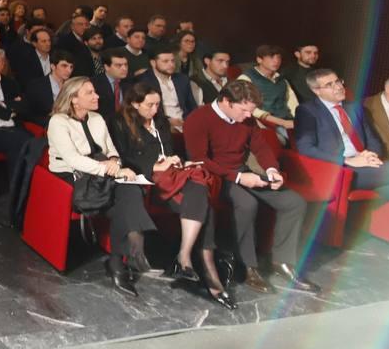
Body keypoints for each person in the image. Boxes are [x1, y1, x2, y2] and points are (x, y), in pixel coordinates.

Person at [296, 69, 389, 281]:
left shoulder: (355, 108)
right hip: (340, 171)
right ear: (316, 90)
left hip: (366, 168)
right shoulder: (307, 111)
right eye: (330, 84)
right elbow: (305, 148)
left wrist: (369, 155)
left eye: (338, 81)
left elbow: (375, 142)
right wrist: (347, 160)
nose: (338, 87)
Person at [182, 79, 316, 294]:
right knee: (247, 204)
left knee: (294, 202)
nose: (248, 116)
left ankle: (282, 262)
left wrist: (272, 170)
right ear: (226, 101)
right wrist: (238, 178)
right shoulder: (198, 118)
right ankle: (247, 267)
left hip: (241, 172)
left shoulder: (246, 118)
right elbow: (199, 160)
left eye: (251, 111)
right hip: (214, 177)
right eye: (244, 110)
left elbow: (260, 147)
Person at [113, 85, 234, 310]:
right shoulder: (120, 123)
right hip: (148, 182)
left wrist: (174, 160)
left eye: (158, 104)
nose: (155, 109)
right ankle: (204, 271)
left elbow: (168, 149)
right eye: (149, 105)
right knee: (202, 197)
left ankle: (185, 256)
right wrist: (156, 165)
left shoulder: (160, 122)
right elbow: (125, 157)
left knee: (199, 189)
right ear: (134, 104)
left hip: (172, 178)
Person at [46, 78, 155, 298]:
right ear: (74, 99)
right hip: (74, 176)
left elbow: (110, 149)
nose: (97, 96)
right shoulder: (58, 122)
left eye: (95, 91)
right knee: (125, 199)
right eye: (89, 93)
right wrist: (110, 169)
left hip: (102, 173)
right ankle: (131, 248)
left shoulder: (96, 118)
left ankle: (119, 260)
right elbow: (73, 159)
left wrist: (114, 162)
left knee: (130, 190)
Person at [243, 45, 297, 145]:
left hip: (288, 119)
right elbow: (247, 108)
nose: (276, 61)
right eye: (272, 57)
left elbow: (292, 102)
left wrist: (298, 120)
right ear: (259, 59)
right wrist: (282, 123)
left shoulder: (282, 80)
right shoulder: (247, 78)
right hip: (266, 123)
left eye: (278, 57)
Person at [146, 47, 197, 133]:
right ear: (153, 63)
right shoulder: (145, 81)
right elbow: (145, 110)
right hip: (161, 124)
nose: (171, 65)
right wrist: (168, 121)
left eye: (172, 61)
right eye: (165, 61)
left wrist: (189, 122)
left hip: (184, 123)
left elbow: (191, 106)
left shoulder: (182, 79)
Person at [23, 52, 75, 123]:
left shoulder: (72, 86)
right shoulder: (36, 86)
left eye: (71, 67)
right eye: (64, 66)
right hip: (46, 125)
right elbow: (28, 113)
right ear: (53, 66)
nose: (69, 70)